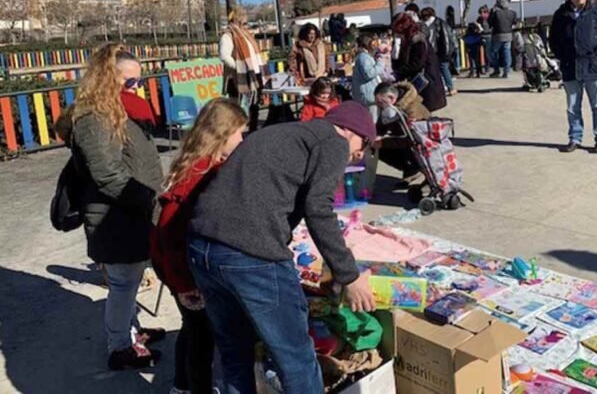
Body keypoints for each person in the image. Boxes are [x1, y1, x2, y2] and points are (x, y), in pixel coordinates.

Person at [187, 101, 377, 394]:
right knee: (296, 357)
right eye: (363, 143)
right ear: (350, 131)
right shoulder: (333, 142)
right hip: (249, 254)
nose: (360, 153)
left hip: (202, 247)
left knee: (234, 350)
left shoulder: (283, 133)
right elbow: (319, 208)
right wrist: (349, 275)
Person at [70, 44, 164, 370]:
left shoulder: (123, 110)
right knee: (123, 283)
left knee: (133, 278)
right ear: (108, 80)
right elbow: (107, 174)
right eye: (130, 82)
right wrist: (148, 199)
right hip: (115, 217)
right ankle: (120, 346)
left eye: (139, 81)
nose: (137, 88)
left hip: (133, 213)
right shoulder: (93, 119)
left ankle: (131, 329)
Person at [151, 98, 247, 394]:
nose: (243, 140)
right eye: (240, 133)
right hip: (183, 270)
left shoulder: (201, 163)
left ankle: (182, 385)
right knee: (202, 337)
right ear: (222, 133)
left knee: (193, 330)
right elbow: (170, 229)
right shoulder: (200, 173)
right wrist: (185, 285)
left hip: (179, 266)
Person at [550, 0, 597, 154]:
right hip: (571, 67)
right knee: (572, 107)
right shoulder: (560, 15)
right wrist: (562, 56)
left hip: (593, 67)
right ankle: (575, 138)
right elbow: (553, 39)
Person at [373, 81, 430, 185]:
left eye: (380, 103)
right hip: (404, 141)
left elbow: (412, 139)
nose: (379, 106)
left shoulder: (412, 110)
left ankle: (419, 171)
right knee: (374, 147)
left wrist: (383, 142)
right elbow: (380, 127)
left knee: (383, 145)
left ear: (391, 98)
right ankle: (410, 169)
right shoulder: (388, 107)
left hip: (421, 146)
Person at [219, 8, 265, 132]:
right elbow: (224, 56)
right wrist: (239, 67)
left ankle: (253, 132)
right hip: (237, 76)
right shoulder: (228, 36)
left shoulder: (247, 36)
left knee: (254, 105)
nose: (246, 25)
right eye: (244, 22)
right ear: (237, 21)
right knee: (235, 108)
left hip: (253, 74)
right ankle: (234, 134)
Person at [392, 12, 447, 113]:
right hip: (418, 82)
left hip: (426, 82)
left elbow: (417, 64)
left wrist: (398, 71)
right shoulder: (407, 39)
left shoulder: (418, 40)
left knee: (424, 113)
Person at [420, 7, 458, 95]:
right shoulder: (440, 22)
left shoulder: (425, 25)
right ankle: (450, 88)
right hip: (442, 49)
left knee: (437, 69)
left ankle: (444, 87)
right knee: (443, 68)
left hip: (434, 50)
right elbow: (450, 36)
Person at [351, 32, 385, 121]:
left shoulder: (365, 56)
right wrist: (380, 63)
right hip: (368, 95)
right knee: (371, 120)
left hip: (368, 94)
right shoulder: (363, 57)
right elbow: (368, 73)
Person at [488, 0, 518, 78]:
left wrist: (492, 12)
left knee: (492, 52)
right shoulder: (512, 12)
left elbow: (490, 23)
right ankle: (506, 72)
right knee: (507, 53)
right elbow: (515, 23)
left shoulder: (495, 12)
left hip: (497, 35)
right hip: (508, 35)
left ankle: (496, 70)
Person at [478, 5, 492, 75]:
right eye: (480, 13)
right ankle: (485, 68)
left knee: (487, 53)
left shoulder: (489, 18)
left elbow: (491, 27)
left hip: (488, 36)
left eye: (482, 12)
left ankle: (488, 67)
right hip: (482, 37)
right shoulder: (480, 19)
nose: (481, 14)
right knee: (483, 53)